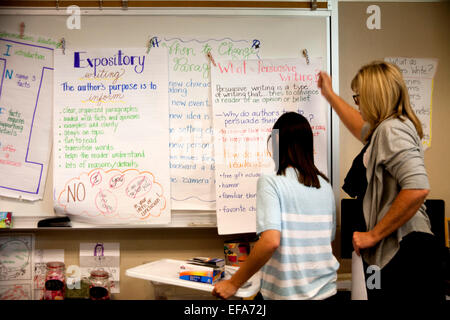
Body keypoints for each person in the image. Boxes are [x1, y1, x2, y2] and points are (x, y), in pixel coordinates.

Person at [318, 61, 445, 300]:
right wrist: (329, 95)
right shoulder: (385, 130)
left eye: (359, 98)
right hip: (398, 249)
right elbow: (360, 129)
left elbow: (417, 188)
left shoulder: (392, 130)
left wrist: (373, 235)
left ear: (373, 97)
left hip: (407, 249)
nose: (358, 104)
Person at [212, 112, 339, 300]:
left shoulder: (271, 182)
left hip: (288, 296)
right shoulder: (325, 186)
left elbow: (270, 241)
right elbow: (325, 241)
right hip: (327, 292)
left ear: (276, 143)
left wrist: (233, 283)